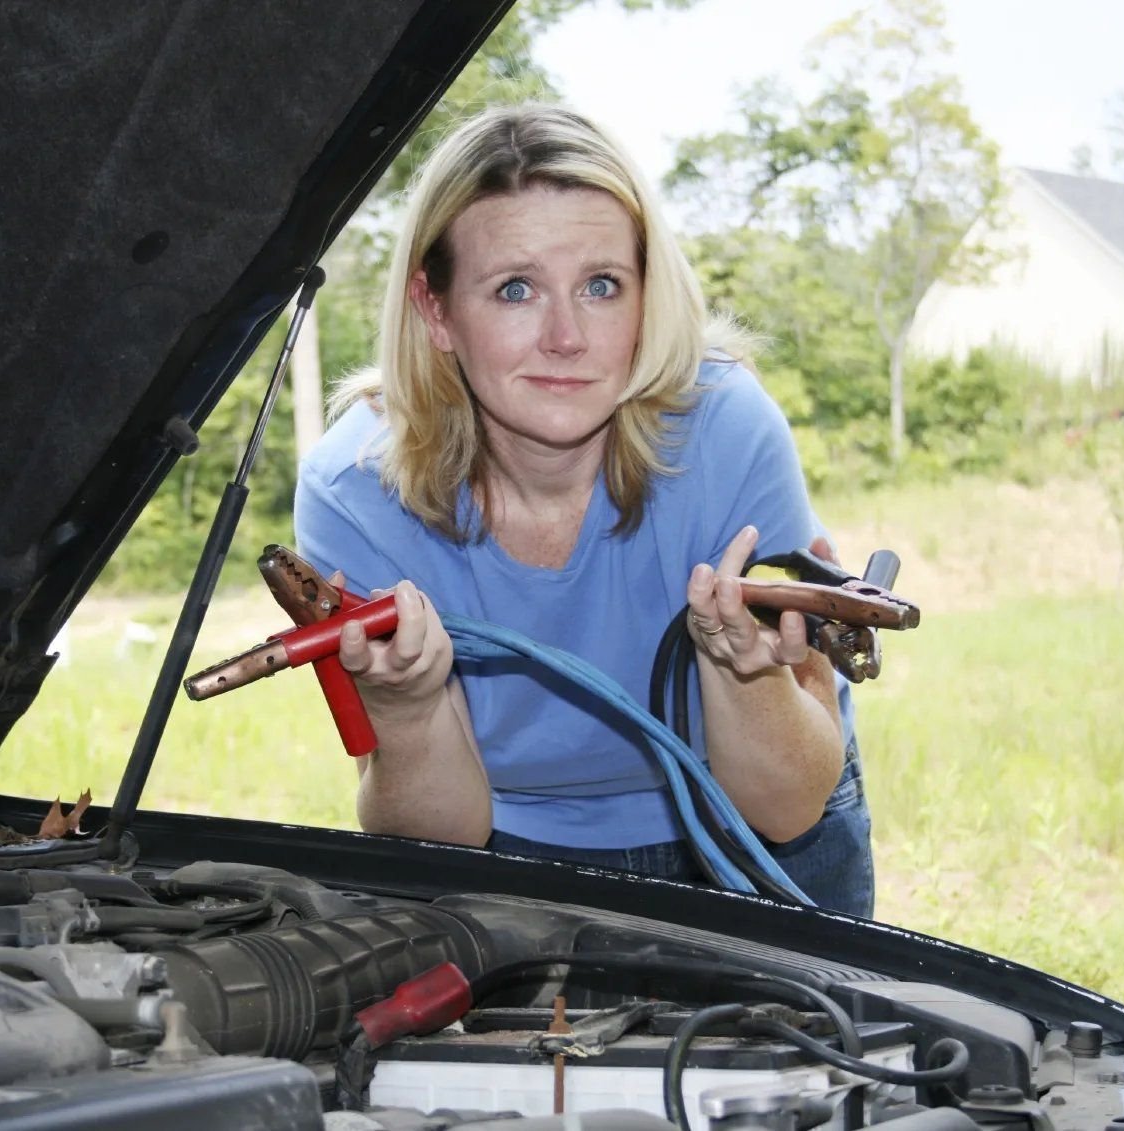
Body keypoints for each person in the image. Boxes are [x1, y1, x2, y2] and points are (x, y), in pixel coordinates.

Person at [293, 104, 874, 916]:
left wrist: (748, 672)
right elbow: (438, 840)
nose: (566, 336)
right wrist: (408, 705)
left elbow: (785, 805)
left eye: (602, 285)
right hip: (511, 850)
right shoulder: (355, 491)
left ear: (647, 297)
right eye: (515, 289)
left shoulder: (728, 431)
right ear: (436, 310)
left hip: (754, 837)